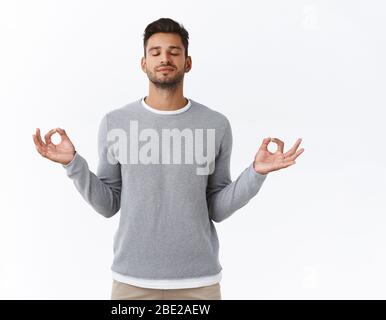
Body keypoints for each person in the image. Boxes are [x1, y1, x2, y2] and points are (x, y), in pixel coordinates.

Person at [32, 18, 305, 300]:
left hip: (200, 283)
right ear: (143, 63)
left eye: (174, 52)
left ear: (187, 63)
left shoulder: (216, 124)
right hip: (131, 282)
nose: (165, 58)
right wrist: (72, 164)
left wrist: (256, 173)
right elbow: (108, 204)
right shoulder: (115, 123)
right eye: (156, 52)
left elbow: (217, 208)